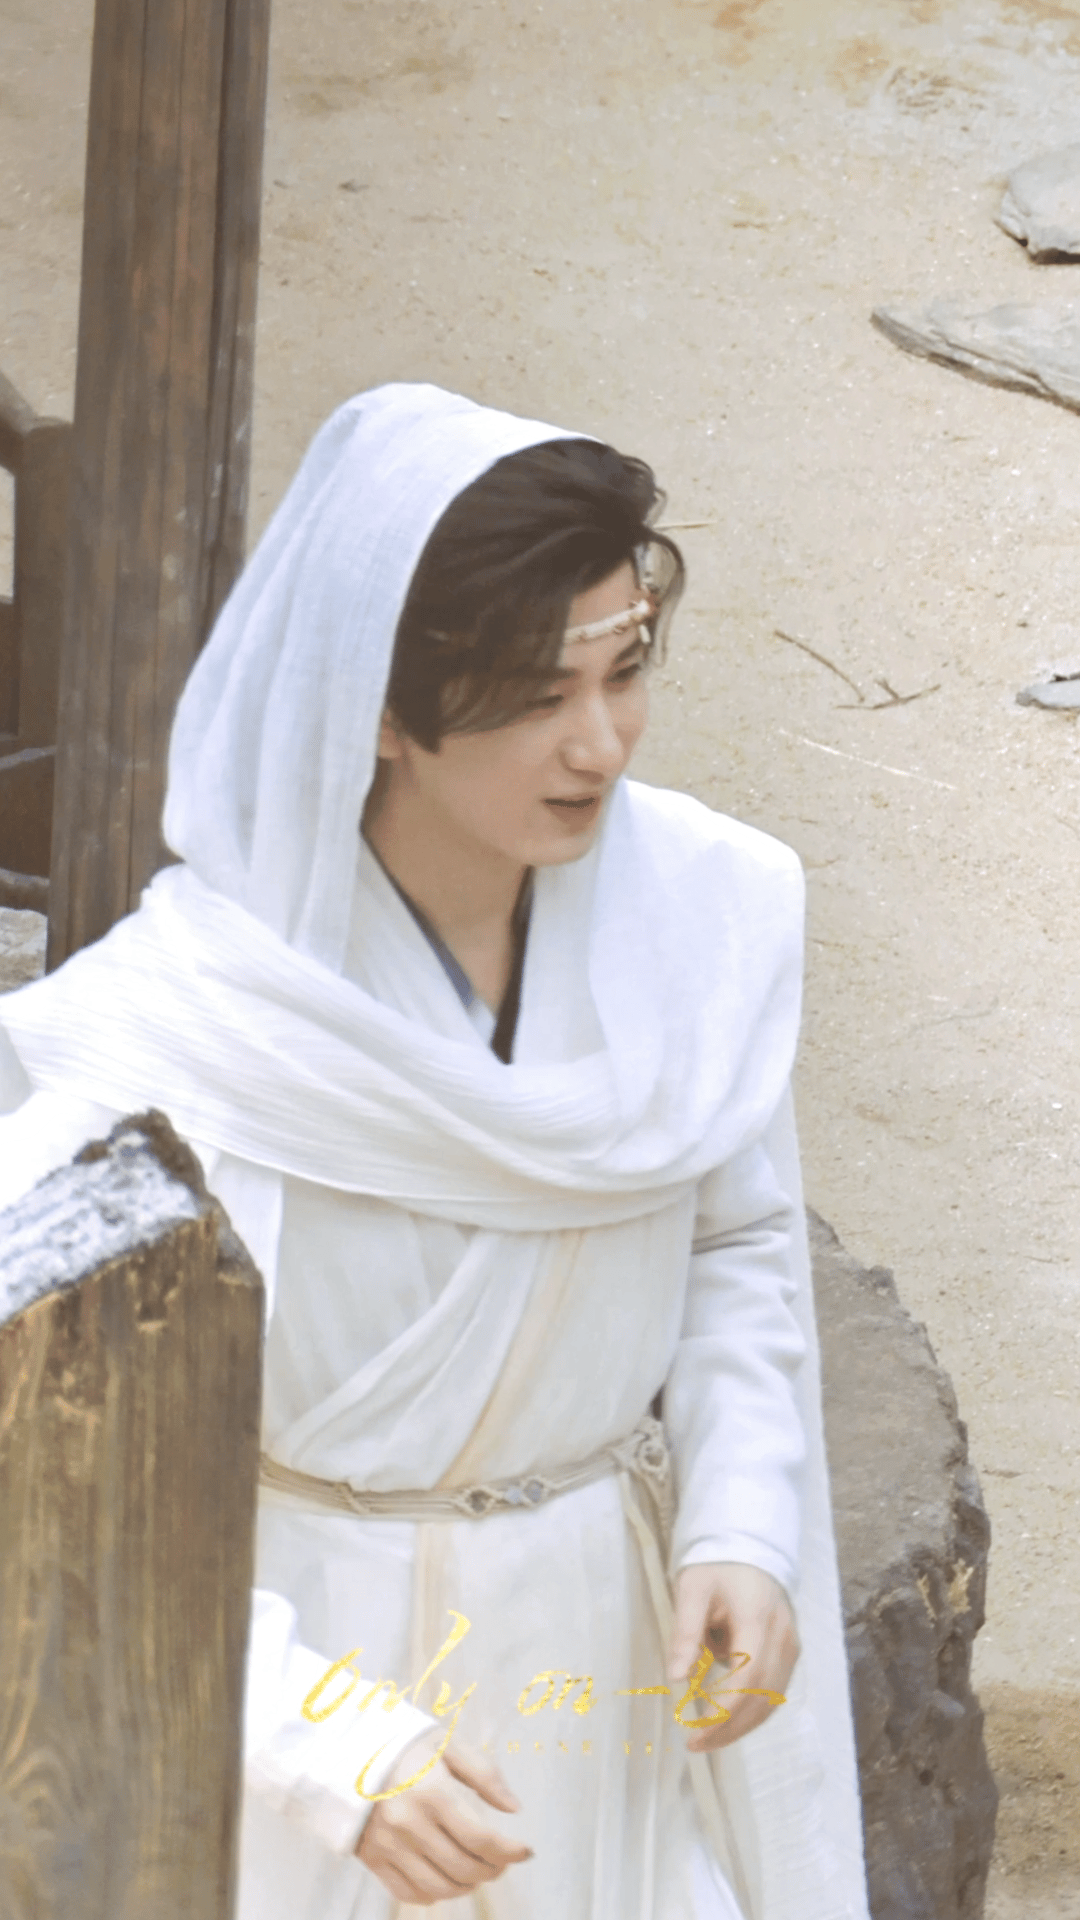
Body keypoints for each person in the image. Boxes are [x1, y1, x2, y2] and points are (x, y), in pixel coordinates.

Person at [0, 383, 870, 1919]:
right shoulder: (191, 1030)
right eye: (539, 695)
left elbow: (733, 1234)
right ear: (385, 710)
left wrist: (742, 1517)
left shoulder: (703, 919)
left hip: (602, 1655)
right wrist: (314, 1741)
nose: (600, 742)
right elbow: (33, 1456)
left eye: (625, 672)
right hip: (295, 1684)